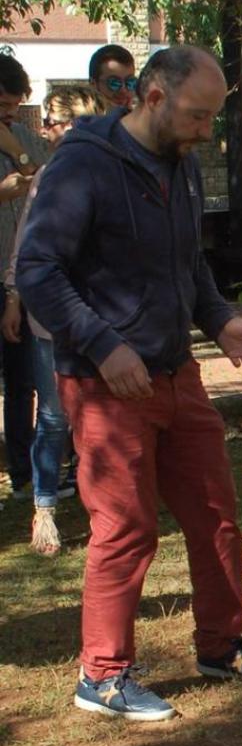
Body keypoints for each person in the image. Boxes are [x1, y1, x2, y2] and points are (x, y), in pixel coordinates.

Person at [16, 46, 242, 721]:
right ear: (151, 97)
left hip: (178, 374)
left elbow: (188, 264)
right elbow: (37, 271)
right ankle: (103, 676)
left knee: (215, 514)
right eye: (198, 115)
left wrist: (222, 320)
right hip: (105, 385)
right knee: (126, 527)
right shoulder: (82, 165)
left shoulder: (183, 162)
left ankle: (222, 644)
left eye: (213, 117)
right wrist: (103, 344)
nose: (206, 129)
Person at [3, 85, 105, 553]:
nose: (50, 131)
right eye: (51, 124)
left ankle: (103, 507)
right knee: (53, 415)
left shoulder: (111, 170)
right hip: (53, 318)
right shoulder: (47, 175)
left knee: (99, 416)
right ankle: (44, 509)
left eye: (55, 123)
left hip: (103, 316)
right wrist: (13, 297)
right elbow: (26, 246)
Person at [0, 53, 43, 504]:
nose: (8, 113)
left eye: (14, 104)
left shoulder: (26, 137)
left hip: (18, 282)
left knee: (23, 381)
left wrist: (16, 148)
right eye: (1, 104)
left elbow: (44, 182)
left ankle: (23, 472)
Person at [88, 44, 137, 111]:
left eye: (130, 82)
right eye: (115, 83)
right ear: (94, 85)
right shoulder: (80, 120)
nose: (123, 90)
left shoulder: (143, 120)